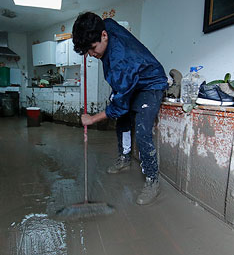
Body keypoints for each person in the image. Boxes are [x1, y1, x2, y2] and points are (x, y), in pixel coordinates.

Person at [72, 12, 168, 205]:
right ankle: (124, 157)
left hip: (150, 83)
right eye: (87, 51)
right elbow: (121, 102)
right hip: (131, 77)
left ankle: (152, 180)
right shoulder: (105, 25)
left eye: (92, 48)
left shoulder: (120, 62)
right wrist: (86, 44)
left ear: (104, 36)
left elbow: (119, 105)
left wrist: (92, 119)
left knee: (142, 130)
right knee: (122, 120)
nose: (91, 54)